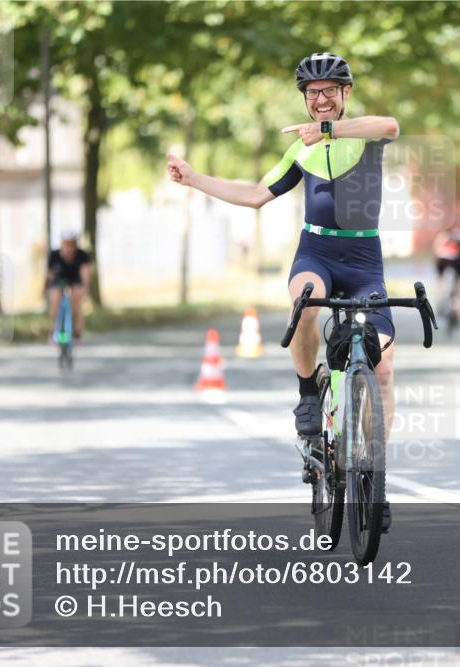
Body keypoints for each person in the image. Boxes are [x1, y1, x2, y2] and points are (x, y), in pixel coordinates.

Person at [166, 52, 399, 528]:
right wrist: (194, 180)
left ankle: (373, 473)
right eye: (313, 94)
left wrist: (331, 132)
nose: (320, 100)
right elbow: (254, 195)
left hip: (364, 260)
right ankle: (308, 393)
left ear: (345, 94)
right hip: (316, 252)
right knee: (307, 301)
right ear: (305, 99)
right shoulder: (301, 149)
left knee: (386, 364)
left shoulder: (363, 135)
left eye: (329, 91)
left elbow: (391, 124)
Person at [46, 230, 91, 341]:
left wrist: (86, 287)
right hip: (59, 279)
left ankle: (77, 331)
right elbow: (50, 274)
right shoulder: (54, 255)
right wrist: (47, 287)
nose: (68, 246)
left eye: (71, 243)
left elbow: (85, 273)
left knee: (76, 302)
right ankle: (53, 330)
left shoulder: (82, 255)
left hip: (75, 280)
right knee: (55, 301)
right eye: (66, 243)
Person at [432, 222, 460, 321]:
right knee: (459, 283)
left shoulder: (442, 237)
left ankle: (439, 301)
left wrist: (436, 267)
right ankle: (459, 309)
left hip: (443, 261)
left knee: (440, 282)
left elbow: (436, 251)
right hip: (456, 262)